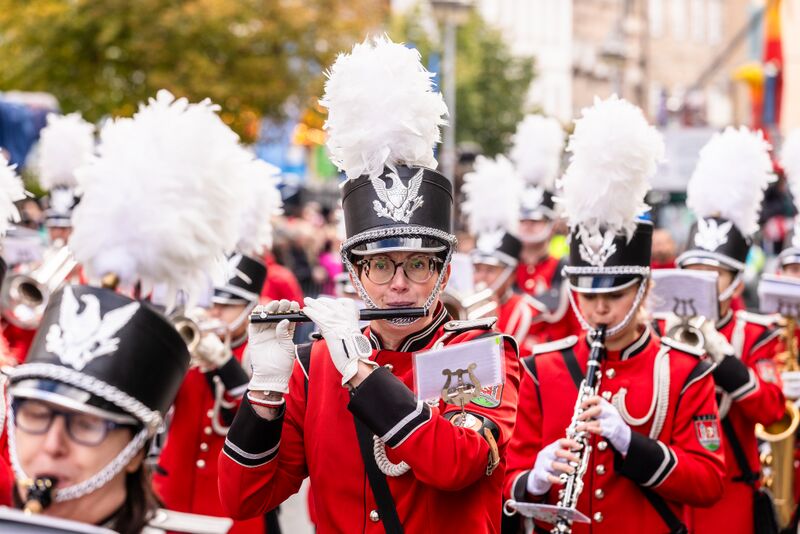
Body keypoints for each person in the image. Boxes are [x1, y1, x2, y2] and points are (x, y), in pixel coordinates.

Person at [218, 36, 520, 533]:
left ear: (444, 272)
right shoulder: (315, 366)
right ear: (355, 274)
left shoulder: (477, 352)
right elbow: (243, 499)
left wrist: (360, 371)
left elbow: (457, 464)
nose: (398, 284)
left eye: (417, 265)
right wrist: (265, 392)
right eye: (380, 266)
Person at [503, 96, 725, 534]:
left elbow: (708, 482)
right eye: (587, 295)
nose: (599, 307)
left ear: (643, 288)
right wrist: (533, 479)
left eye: (615, 294)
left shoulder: (685, 372)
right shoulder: (541, 369)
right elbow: (507, 479)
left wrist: (630, 443)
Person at [670, 126, 785, 533]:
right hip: (672, 493)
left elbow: (772, 411)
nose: (702, 280)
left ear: (736, 282)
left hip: (730, 499)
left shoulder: (756, 332)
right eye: (695, 269)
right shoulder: (661, 327)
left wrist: (726, 361)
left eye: (714, 272)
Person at [154, 253, 269, 534]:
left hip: (226, 496)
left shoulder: (263, 353)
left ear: (250, 307)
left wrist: (225, 364)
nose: (215, 312)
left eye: (227, 305)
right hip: (174, 487)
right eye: (211, 303)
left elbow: (259, 423)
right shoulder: (186, 346)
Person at [462, 154, 544, 355]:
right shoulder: (463, 303)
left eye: (490, 270)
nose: (481, 277)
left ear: (511, 274)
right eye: (478, 269)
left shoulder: (526, 312)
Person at [509, 114, 580, 342]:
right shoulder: (506, 269)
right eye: (523, 220)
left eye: (536, 220)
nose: (528, 225)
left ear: (551, 223)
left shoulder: (565, 269)